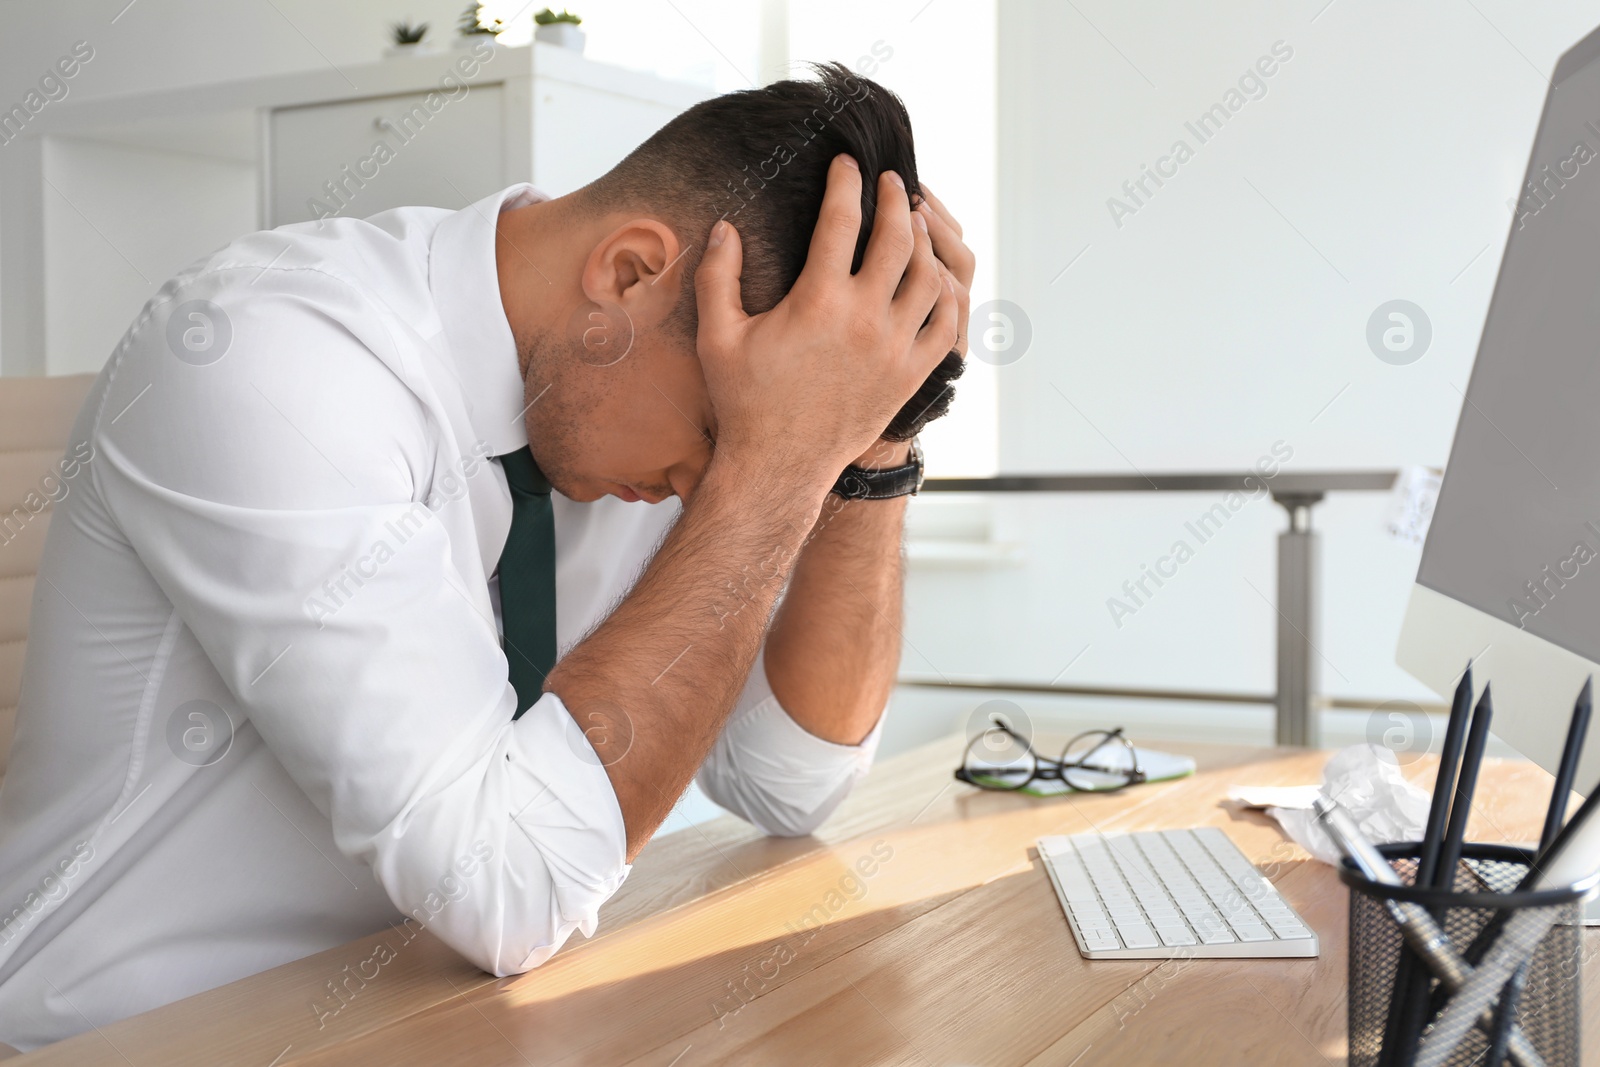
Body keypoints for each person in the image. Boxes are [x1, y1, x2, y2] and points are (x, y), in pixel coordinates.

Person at [0, 62, 972, 1050]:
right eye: (730, 432)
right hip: (131, 1033)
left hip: (438, 1015)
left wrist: (871, 445)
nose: (704, 486)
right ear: (629, 272)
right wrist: (766, 468)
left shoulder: (649, 407)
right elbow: (504, 885)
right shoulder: (271, 358)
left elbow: (787, 783)